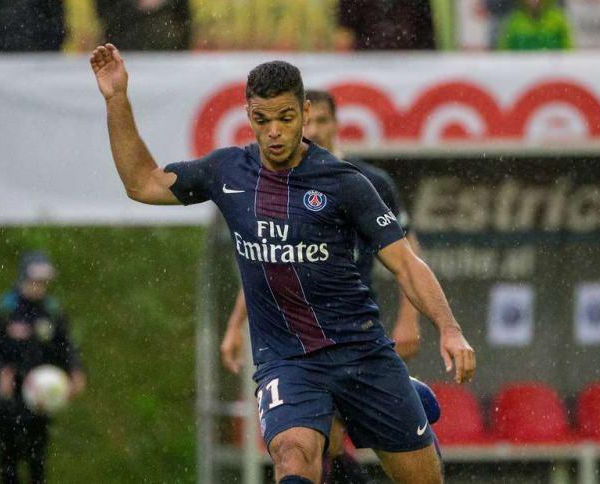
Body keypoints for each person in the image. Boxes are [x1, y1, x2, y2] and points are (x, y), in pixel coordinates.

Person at [90, 43, 475, 483]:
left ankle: (402, 395)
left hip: (361, 352)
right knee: (293, 455)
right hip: (288, 361)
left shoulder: (345, 183)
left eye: (286, 118)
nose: (273, 131)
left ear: (304, 112)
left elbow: (406, 263)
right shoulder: (227, 171)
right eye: (262, 120)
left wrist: (449, 328)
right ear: (248, 115)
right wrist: (116, 99)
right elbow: (142, 183)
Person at [219, 89, 430, 482]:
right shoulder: (279, 185)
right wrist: (235, 324)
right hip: (299, 338)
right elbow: (267, 263)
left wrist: (409, 318)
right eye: (309, 123)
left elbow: (408, 256)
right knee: (320, 441)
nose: (314, 130)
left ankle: (404, 401)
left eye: (322, 121)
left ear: (336, 123)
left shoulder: (369, 181)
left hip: (354, 328)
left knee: (342, 442)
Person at [0, 251, 86, 484]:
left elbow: (66, 347)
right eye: (35, 280)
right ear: (23, 278)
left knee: (37, 460)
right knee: (8, 459)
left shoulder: (52, 311)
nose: (39, 286)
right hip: (8, 397)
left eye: (43, 281)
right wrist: (0, 371)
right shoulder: (6, 309)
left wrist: (75, 370)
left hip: (40, 397)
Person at [497, 0, 573, 51]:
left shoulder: (558, 20)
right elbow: (504, 52)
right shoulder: (514, 21)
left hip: (552, 68)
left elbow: (568, 50)